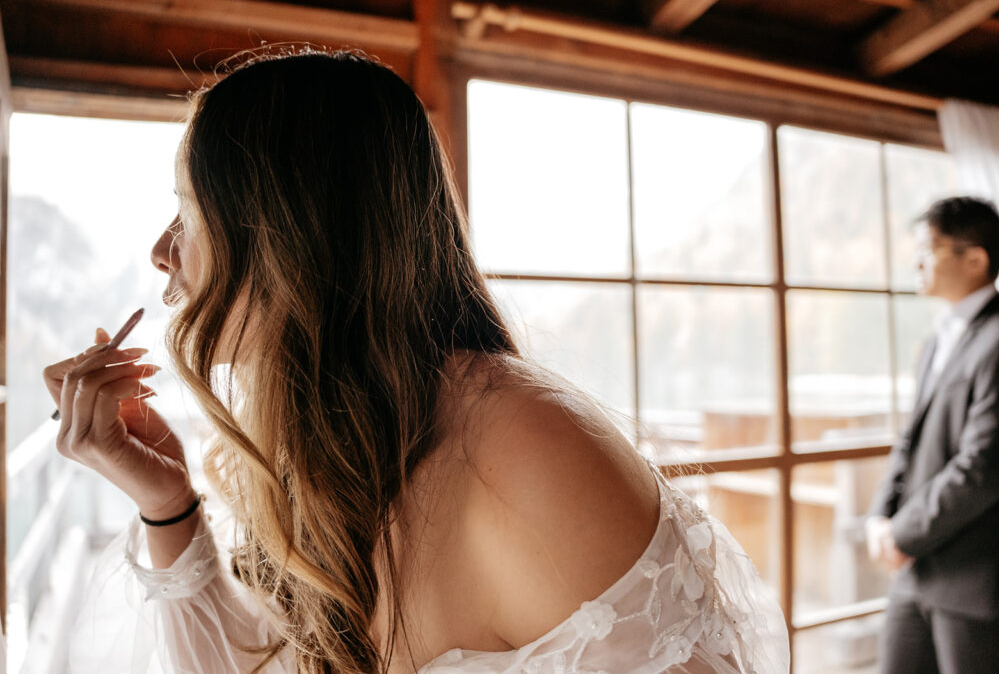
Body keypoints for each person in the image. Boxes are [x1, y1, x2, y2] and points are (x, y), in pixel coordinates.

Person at [43, 49, 787, 674]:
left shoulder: (525, 452)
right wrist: (164, 498)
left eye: (190, 207)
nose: (162, 249)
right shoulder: (333, 444)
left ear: (295, 231)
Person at [866, 196, 999, 673]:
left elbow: (984, 468)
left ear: (975, 259)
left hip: (975, 579)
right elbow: (910, 440)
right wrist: (880, 516)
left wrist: (901, 533)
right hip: (916, 570)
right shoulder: (937, 339)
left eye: (928, 250)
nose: (916, 261)